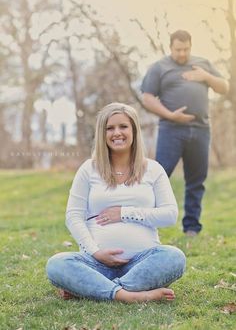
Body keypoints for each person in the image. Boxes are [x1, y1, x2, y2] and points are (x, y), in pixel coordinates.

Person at [46, 102, 186, 303]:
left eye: (123, 126)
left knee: (175, 257)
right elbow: (73, 216)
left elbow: (170, 215)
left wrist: (124, 212)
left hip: (142, 261)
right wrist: (95, 252)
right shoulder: (88, 169)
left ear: (134, 131)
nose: (116, 133)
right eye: (109, 128)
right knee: (57, 264)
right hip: (95, 263)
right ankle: (130, 295)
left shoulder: (153, 169)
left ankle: (94, 288)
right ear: (102, 134)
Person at [141, 30, 229, 236]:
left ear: (191, 45)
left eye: (186, 49)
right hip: (171, 129)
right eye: (178, 50)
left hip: (200, 129)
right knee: (158, 175)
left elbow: (224, 87)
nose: (182, 54)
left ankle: (191, 227)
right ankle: (145, 222)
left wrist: (206, 76)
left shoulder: (203, 63)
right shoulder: (159, 67)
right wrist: (171, 115)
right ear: (170, 47)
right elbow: (147, 97)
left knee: (196, 180)